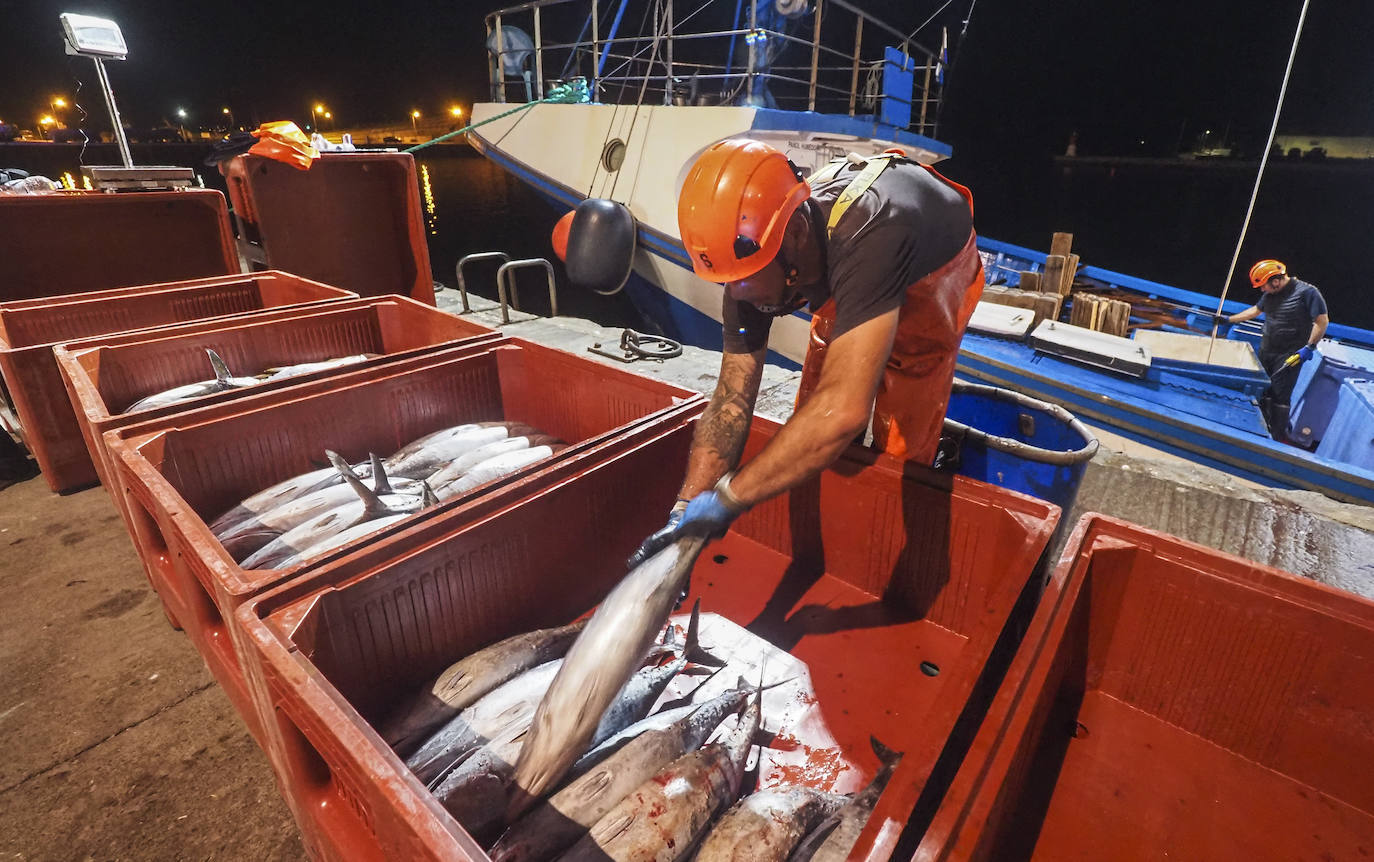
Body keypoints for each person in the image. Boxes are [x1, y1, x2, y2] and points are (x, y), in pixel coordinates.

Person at [629, 138, 983, 566]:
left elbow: (842, 412)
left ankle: (878, 555)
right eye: (727, 281)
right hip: (840, 267)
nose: (735, 295)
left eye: (745, 279)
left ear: (794, 233)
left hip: (927, 271)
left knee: (900, 429)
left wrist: (728, 498)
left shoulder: (875, 232)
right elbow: (731, 400)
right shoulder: (746, 261)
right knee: (813, 414)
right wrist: (686, 509)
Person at [1221, 259, 1329, 442]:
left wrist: (1309, 347)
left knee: (1280, 394)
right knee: (1263, 389)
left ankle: (1277, 438)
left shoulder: (1308, 293)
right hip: (1267, 349)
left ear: (1276, 280)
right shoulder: (1271, 295)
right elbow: (1256, 310)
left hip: (1289, 354)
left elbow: (1322, 321)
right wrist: (1229, 320)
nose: (1263, 290)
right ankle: (1258, 428)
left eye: (1264, 286)